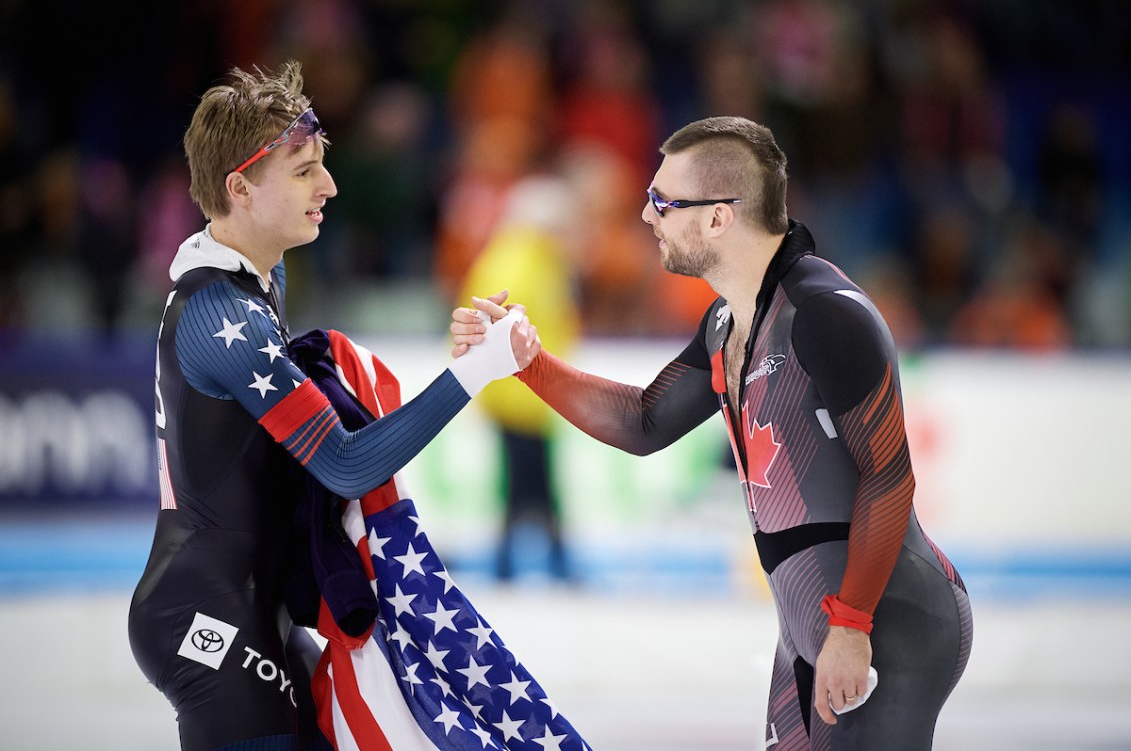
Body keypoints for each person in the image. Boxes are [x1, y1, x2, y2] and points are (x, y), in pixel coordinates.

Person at [454, 116, 973, 750]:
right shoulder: (728, 321)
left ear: (719, 218)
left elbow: (890, 477)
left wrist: (852, 624)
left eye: (663, 202)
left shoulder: (824, 314)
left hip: (891, 621)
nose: (646, 217)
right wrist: (528, 363)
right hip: (817, 625)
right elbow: (644, 422)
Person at [127, 61, 537, 751]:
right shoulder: (221, 314)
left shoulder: (257, 275)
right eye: (304, 171)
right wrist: (473, 375)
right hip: (206, 613)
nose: (330, 186)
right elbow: (346, 466)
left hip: (253, 607)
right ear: (240, 188)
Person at [457, 173, 583, 581]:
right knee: (531, 481)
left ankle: (514, 562)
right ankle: (539, 562)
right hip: (521, 393)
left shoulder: (526, 258)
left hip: (525, 391)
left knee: (525, 481)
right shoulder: (521, 262)